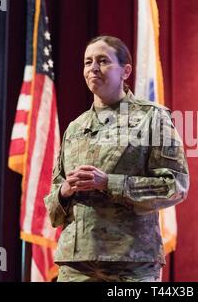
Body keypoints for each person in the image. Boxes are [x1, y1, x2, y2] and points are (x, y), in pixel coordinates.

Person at [44, 35, 190, 282]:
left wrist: (108, 183)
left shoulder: (152, 118)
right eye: (87, 61)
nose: (93, 68)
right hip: (76, 264)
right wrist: (65, 191)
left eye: (103, 61)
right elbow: (53, 210)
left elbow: (175, 186)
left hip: (130, 264)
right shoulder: (75, 128)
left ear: (126, 71)